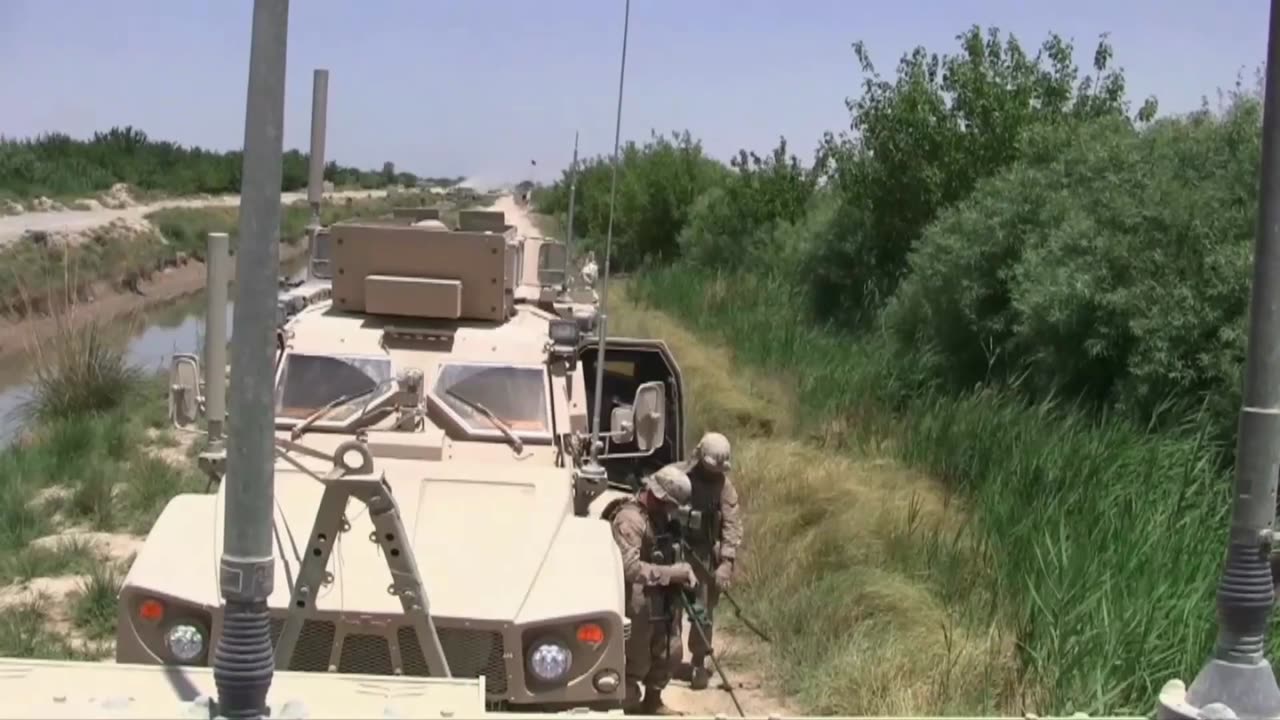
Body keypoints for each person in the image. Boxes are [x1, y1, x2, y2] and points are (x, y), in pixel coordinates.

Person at [604, 465, 698, 715]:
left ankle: (653, 699)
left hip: (662, 596)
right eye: (670, 505)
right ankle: (628, 705)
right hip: (637, 598)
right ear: (658, 496)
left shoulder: (659, 518)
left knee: (670, 650)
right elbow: (630, 568)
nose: (671, 512)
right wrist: (672, 573)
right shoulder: (630, 519)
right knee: (636, 657)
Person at [672, 431, 743, 691]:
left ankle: (698, 663)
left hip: (704, 556)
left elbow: (732, 525)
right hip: (676, 550)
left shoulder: (724, 488)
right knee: (670, 609)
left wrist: (726, 562)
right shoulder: (678, 476)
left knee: (703, 614)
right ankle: (667, 658)